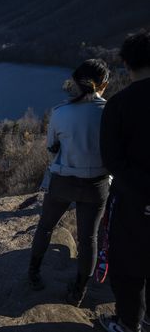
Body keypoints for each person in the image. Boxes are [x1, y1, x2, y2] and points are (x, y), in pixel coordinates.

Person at [27, 59, 111, 306]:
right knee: (89, 239)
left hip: (63, 180)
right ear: (103, 84)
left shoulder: (61, 112)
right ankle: (78, 291)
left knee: (45, 227)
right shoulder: (110, 111)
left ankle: (33, 274)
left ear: (75, 83)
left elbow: (52, 148)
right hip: (96, 184)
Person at [98, 30, 150, 332]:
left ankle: (128, 324)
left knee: (129, 267)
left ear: (127, 64)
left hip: (133, 201)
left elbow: (112, 161)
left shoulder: (118, 105)